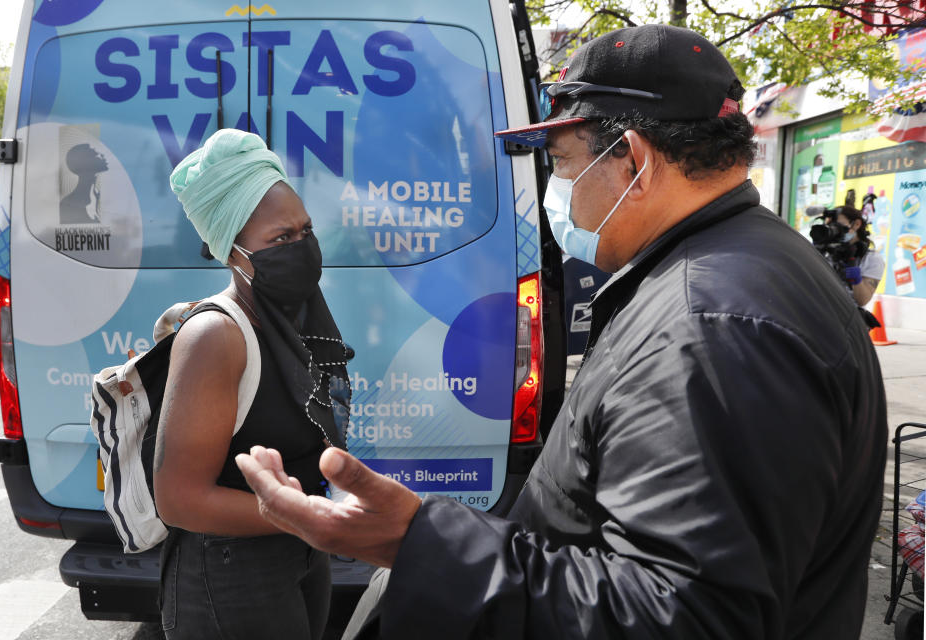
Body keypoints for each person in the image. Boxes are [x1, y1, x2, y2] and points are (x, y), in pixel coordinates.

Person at [235, 25, 887, 640]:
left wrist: (422, 544)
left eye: (564, 164)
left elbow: (681, 616)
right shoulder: (739, 268)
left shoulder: (709, 329)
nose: (559, 192)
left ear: (631, 158)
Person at [155, 128, 351, 640]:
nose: (302, 247)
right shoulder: (217, 335)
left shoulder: (290, 321)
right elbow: (178, 498)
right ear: (234, 251)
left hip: (299, 551)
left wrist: (313, 517)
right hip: (231, 572)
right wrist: (309, 514)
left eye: (306, 232)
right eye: (281, 239)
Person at [821, 204, 885, 306]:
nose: (835, 232)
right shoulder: (827, 253)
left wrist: (857, 280)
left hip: (848, 316)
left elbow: (863, 300)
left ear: (856, 224)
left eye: (838, 227)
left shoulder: (872, 259)